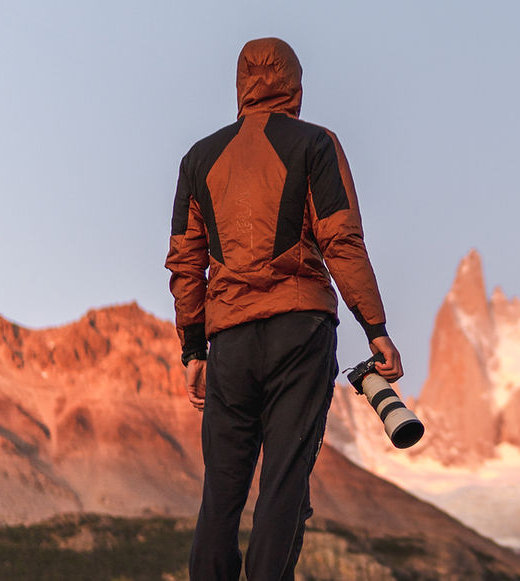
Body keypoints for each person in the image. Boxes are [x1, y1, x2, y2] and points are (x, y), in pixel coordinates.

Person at [165, 37, 404, 581]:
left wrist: (193, 348)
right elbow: (342, 241)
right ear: (296, 87)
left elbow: (185, 263)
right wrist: (376, 328)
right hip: (301, 329)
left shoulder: (198, 160)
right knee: (285, 479)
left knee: (221, 491)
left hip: (228, 342)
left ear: (240, 87)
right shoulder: (316, 144)